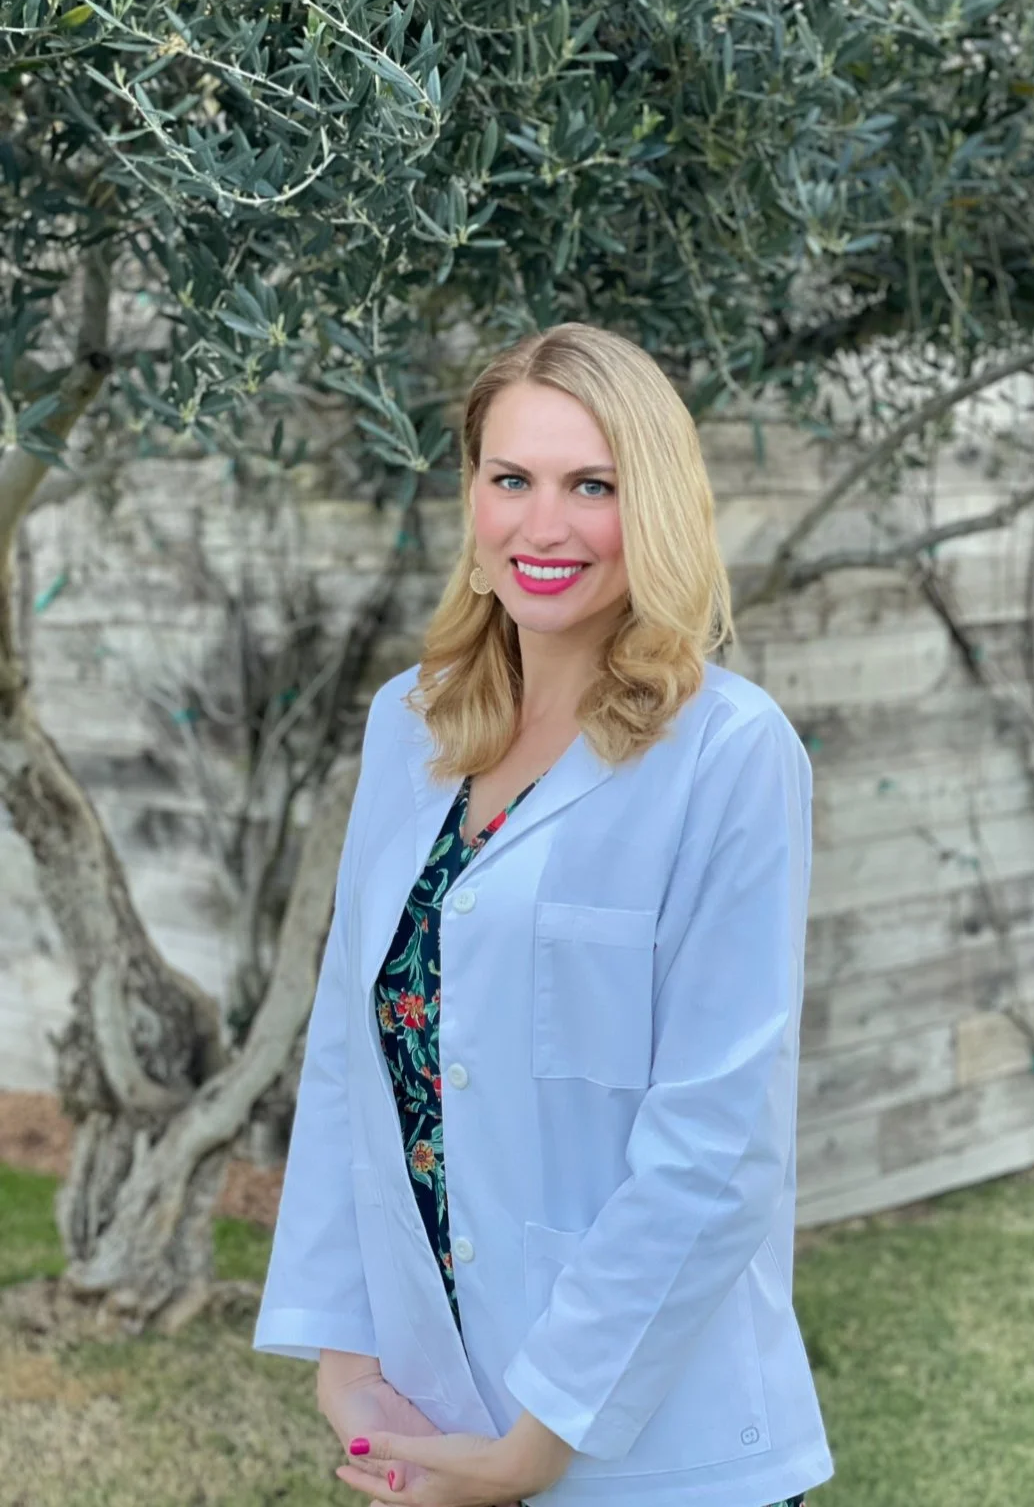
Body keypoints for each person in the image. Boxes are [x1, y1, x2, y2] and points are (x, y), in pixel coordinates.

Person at [253, 322, 833, 1507]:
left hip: (657, 1451)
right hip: (435, 1414)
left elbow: (716, 1145)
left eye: (593, 486)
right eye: (511, 479)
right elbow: (349, 1058)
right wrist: (347, 1351)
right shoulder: (409, 725)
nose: (544, 525)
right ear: (472, 498)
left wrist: (542, 1439)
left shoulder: (728, 752)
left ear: (654, 509)